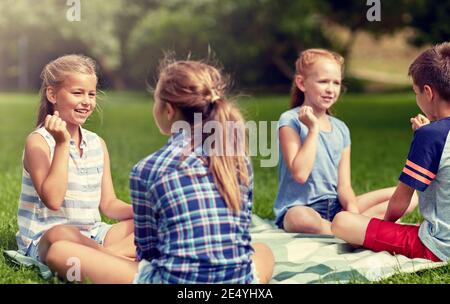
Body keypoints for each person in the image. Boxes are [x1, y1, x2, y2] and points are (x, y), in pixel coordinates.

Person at [44, 58, 274, 284]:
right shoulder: (236, 158)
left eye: (155, 99)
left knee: (60, 252)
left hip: (172, 280)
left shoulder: (148, 168)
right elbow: (241, 233)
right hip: (240, 280)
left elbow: (148, 253)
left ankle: (106, 256)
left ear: (169, 110)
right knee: (263, 250)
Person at [273, 48, 417, 234]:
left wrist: (352, 211)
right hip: (300, 208)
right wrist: (313, 129)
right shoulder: (290, 120)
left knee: (410, 199)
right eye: (323, 81)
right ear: (301, 83)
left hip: (335, 208)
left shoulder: (340, 128)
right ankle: (353, 229)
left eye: (336, 83)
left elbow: (344, 186)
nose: (330, 89)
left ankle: (353, 225)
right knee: (300, 219)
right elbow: (300, 173)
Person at [16, 54, 135, 273]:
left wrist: (144, 211)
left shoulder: (97, 143)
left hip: (94, 234)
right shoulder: (39, 142)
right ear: (52, 94)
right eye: (77, 93)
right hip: (49, 239)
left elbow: (108, 204)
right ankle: (119, 260)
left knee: (148, 226)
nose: (87, 101)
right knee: (59, 234)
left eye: (91, 94)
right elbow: (53, 199)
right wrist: (62, 143)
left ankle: (107, 258)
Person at [331, 42, 450, 262]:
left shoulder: (430, 137)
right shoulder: (432, 135)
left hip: (438, 248)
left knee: (342, 222)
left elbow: (400, 202)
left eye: (416, 92)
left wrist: (380, 230)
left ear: (428, 92)